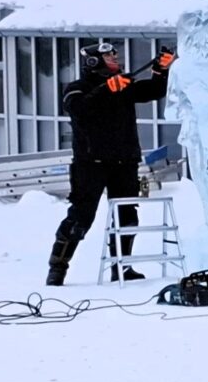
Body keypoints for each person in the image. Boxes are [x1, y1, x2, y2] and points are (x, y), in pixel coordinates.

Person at [48, 42, 173, 288]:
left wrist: (161, 70)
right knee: (80, 219)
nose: (116, 58)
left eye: (115, 54)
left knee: (127, 216)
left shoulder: (124, 87)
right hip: (90, 164)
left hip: (124, 161)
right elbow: (79, 109)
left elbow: (155, 90)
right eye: (110, 55)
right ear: (94, 62)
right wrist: (107, 89)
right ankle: (57, 268)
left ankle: (121, 267)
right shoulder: (77, 89)